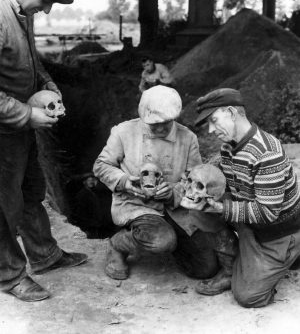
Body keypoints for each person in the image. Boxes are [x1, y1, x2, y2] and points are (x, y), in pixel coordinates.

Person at [0, 0, 88, 302]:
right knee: (2, 203)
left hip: (19, 127)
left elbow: (31, 63)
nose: (48, 10)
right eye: (46, 0)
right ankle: (8, 275)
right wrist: (26, 113)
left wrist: (48, 86)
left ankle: (44, 255)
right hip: (4, 130)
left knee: (31, 191)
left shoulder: (22, 11)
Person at [93, 85, 236, 281]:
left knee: (205, 269)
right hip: (138, 205)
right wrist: (125, 182)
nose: (160, 128)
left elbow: (195, 178)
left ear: (174, 117)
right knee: (161, 241)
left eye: (166, 123)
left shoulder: (187, 138)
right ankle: (118, 244)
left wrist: (173, 193)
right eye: (154, 124)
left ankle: (174, 243)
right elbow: (101, 165)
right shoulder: (123, 132)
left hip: (176, 208)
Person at [195, 87, 300, 307]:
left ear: (232, 112)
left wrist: (222, 208)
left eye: (214, 120)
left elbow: (268, 213)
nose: (211, 130)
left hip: (278, 231)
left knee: (248, 296)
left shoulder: (266, 152)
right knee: (197, 207)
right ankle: (231, 267)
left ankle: (283, 257)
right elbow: (225, 179)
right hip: (251, 221)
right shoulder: (228, 147)